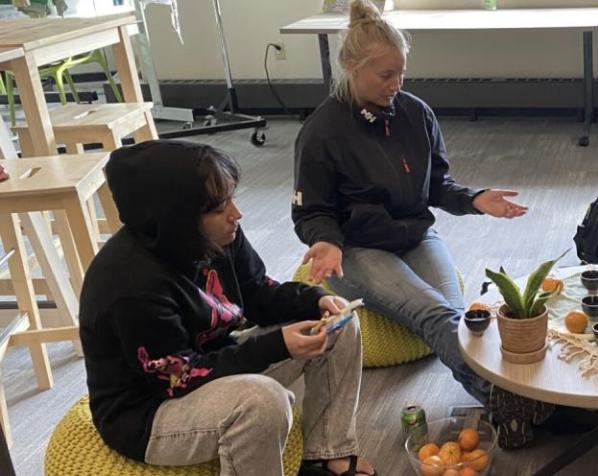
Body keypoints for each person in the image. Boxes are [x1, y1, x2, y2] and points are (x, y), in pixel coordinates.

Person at [291, 0, 555, 448]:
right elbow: (311, 211)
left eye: (402, 73)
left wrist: (473, 199)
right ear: (351, 68)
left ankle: (516, 392)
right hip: (356, 248)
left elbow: (437, 186)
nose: (397, 84)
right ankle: (510, 400)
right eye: (386, 75)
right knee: (435, 316)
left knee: (457, 320)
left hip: (413, 235)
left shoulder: (416, 114)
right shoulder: (321, 132)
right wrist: (327, 242)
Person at [79, 140, 376, 476]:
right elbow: (179, 378)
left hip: (213, 362)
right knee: (262, 403)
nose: (236, 214)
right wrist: (276, 346)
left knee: (337, 322)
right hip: (152, 411)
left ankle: (327, 455)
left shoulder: (218, 235)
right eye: (219, 208)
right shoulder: (131, 285)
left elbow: (257, 292)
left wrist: (314, 299)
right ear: (176, 217)